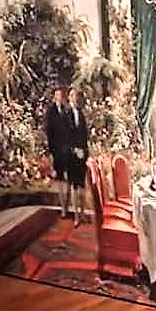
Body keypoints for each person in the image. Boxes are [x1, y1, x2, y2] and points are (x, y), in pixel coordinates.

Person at [45, 87, 72, 217]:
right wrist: (51, 150)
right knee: (60, 177)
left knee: (69, 178)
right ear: (54, 97)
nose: (59, 97)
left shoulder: (66, 111)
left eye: (60, 95)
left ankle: (67, 204)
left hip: (67, 149)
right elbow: (49, 131)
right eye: (57, 95)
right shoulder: (51, 111)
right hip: (57, 149)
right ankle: (63, 208)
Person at [67, 88, 90, 226]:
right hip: (71, 155)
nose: (75, 98)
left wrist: (84, 151)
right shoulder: (66, 114)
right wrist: (74, 149)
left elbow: (85, 135)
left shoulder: (81, 114)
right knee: (74, 186)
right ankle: (76, 215)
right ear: (69, 98)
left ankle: (82, 213)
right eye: (73, 96)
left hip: (82, 155)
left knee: (82, 185)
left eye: (76, 96)